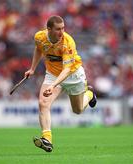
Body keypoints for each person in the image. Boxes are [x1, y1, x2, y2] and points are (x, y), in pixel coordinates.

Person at [24, 15, 97, 152]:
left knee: (78, 110)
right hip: (52, 74)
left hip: (73, 75)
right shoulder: (39, 37)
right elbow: (39, 48)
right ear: (49, 29)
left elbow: (67, 69)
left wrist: (53, 86)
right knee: (43, 103)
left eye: (63, 28)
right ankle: (47, 139)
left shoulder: (68, 42)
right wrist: (32, 68)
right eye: (58, 29)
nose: (61, 32)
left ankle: (90, 94)